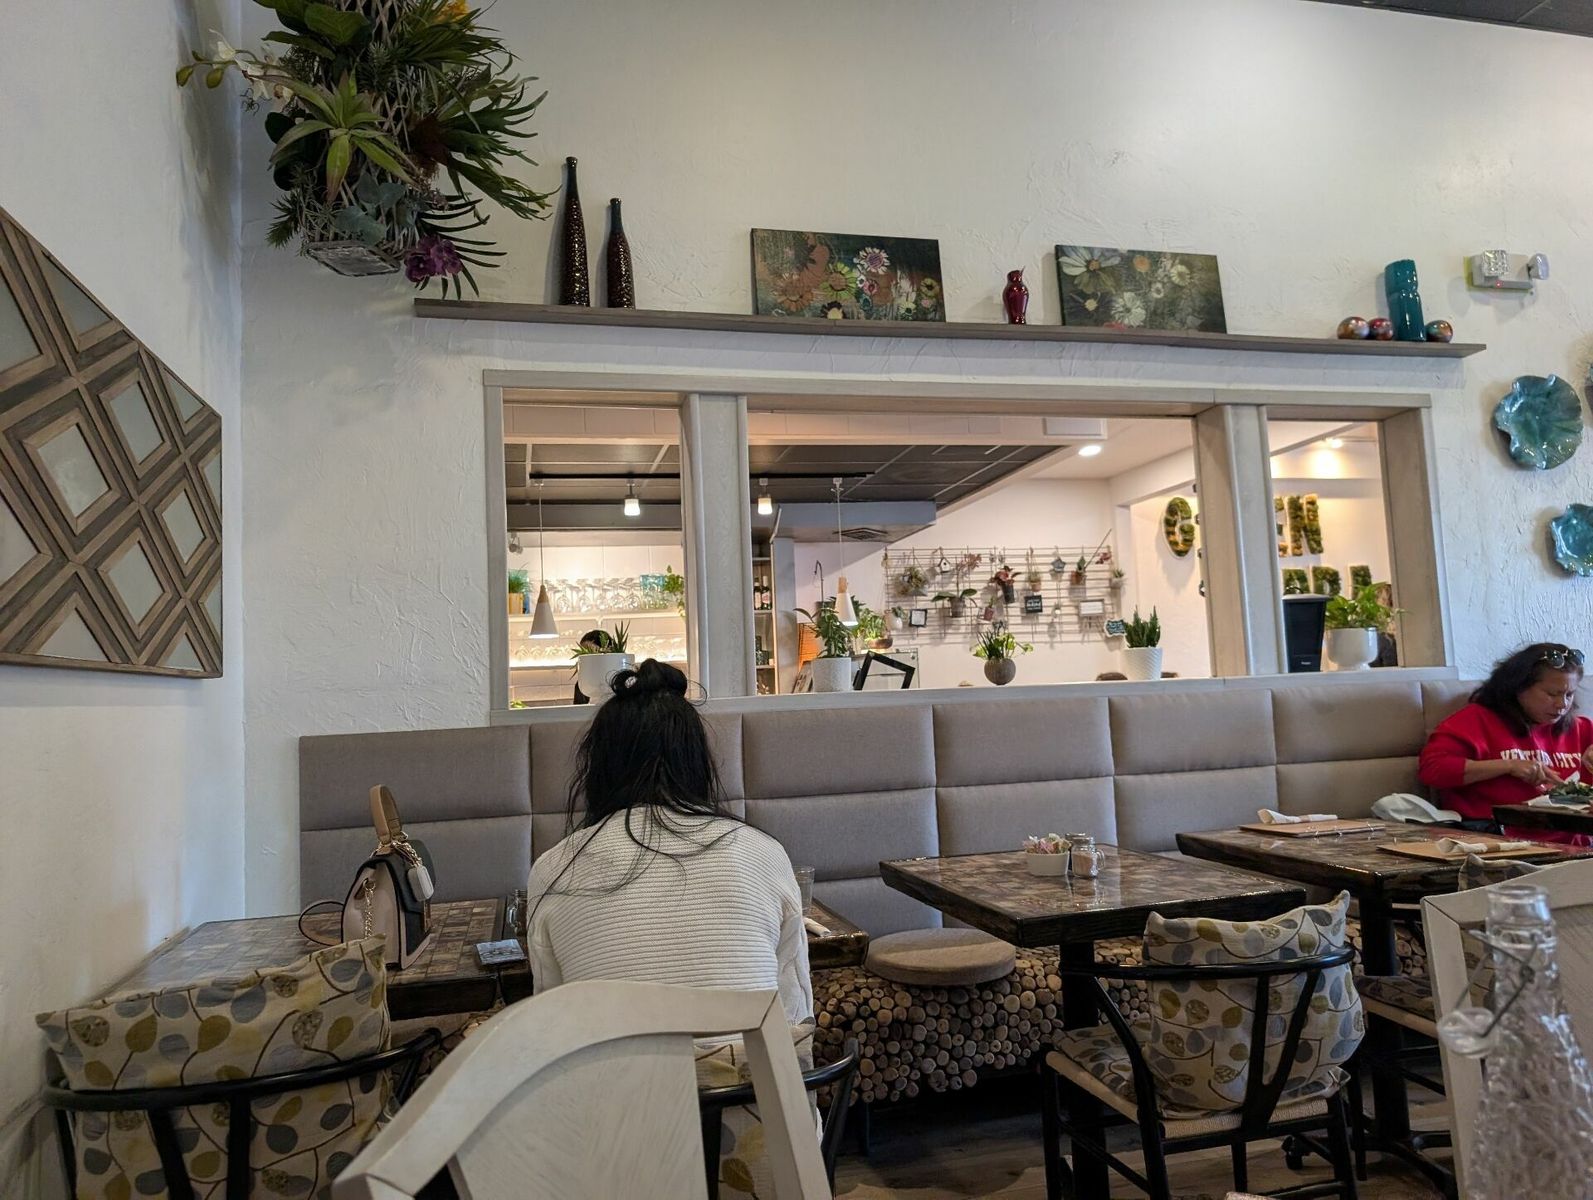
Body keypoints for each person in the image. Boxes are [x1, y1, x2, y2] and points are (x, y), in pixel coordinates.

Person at [527, 660, 814, 1198]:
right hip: (771, 1154)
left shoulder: (554, 870)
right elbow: (795, 1016)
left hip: (618, 1164)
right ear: (697, 760)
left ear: (600, 766)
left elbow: (554, 1028)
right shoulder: (764, 854)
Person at [1418, 643, 1593, 838]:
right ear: (1519, 687)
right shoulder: (1477, 721)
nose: (1562, 704)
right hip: (1505, 841)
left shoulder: (1581, 728)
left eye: (1569, 694)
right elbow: (1432, 770)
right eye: (1552, 694)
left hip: (1577, 844)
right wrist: (1508, 766)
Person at [569, 628, 611, 705]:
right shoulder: (582, 685)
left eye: (591, 653)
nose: (586, 659)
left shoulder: (619, 683)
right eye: (582, 654)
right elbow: (578, 710)